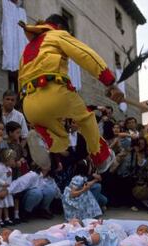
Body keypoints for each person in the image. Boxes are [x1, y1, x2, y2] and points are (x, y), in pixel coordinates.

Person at [18, 14, 124, 172]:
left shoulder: (27, 50)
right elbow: (85, 54)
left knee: (60, 137)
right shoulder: (57, 34)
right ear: (60, 27)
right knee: (86, 118)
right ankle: (100, 157)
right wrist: (110, 82)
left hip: (29, 105)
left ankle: (44, 140)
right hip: (54, 93)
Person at [0, 149, 16, 228]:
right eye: (13, 159)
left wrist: (9, 185)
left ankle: (6, 218)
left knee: (6, 205)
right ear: (7, 159)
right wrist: (3, 183)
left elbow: (9, 178)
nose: (14, 161)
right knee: (0, 205)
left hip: (6, 189)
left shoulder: (9, 169)